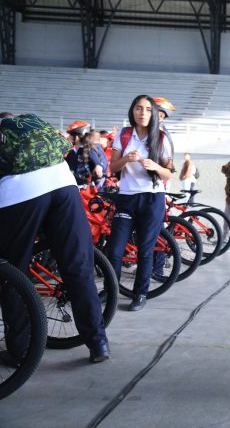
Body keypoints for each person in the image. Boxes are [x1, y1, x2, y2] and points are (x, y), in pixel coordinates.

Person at [0, 112, 110, 364]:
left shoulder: (4, 137)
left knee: (12, 271)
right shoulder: (34, 129)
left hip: (19, 192)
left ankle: (20, 350)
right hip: (64, 184)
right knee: (78, 266)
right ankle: (98, 343)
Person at [107, 95, 173, 311]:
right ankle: (110, 291)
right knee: (114, 251)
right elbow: (112, 168)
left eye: (147, 109)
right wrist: (126, 159)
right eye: (138, 108)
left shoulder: (161, 138)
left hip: (152, 198)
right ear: (132, 111)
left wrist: (155, 166)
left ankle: (140, 294)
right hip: (126, 198)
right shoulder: (124, 134)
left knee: (145, 251)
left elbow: (168, 173)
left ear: (154, 113)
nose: (143, 113)